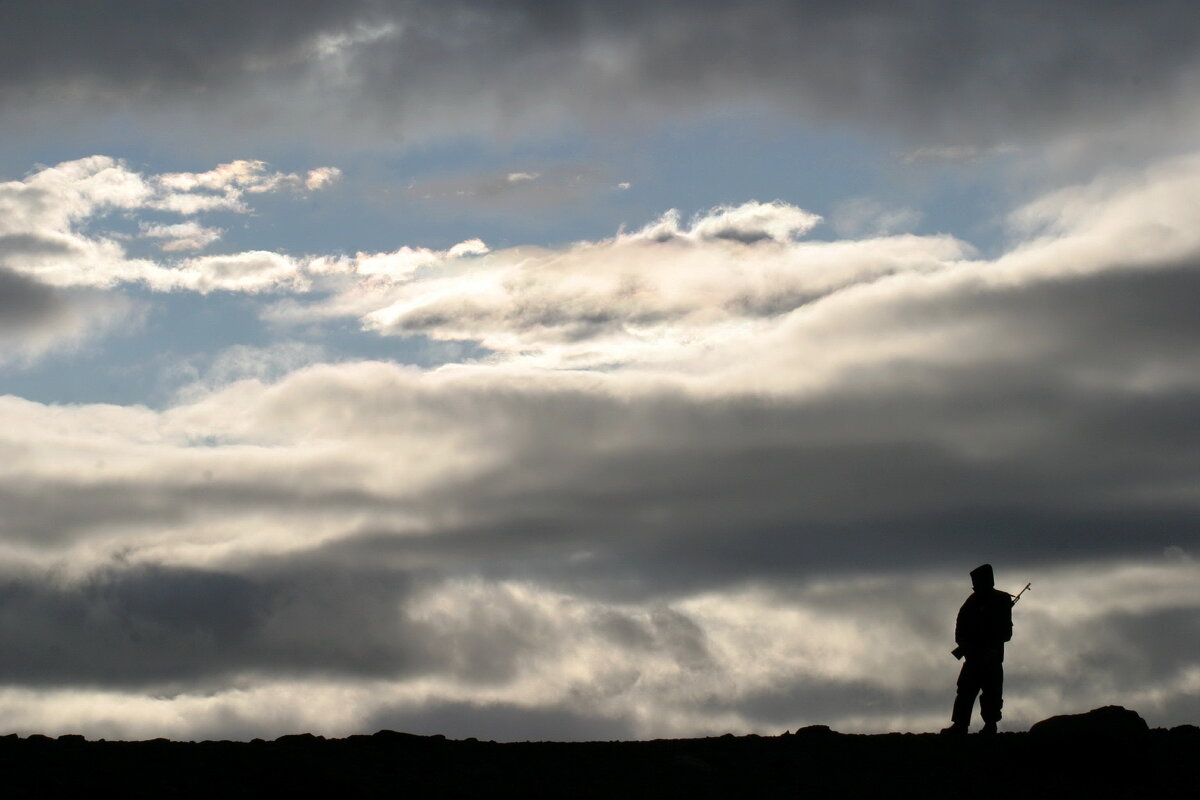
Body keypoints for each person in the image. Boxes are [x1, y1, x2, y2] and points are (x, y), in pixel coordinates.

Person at [941, 563, 1012, 735]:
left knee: (992, 693)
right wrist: (967, 646)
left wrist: (988, 641)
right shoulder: (971, 602)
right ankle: (960, 725)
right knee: (965, 691)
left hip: (991, 656)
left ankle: (990, 725)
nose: (975, 586)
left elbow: (1006, 633)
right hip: (973, 657)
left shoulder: (1001, 600)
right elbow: (960, 629)